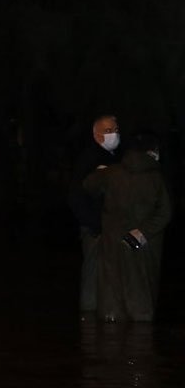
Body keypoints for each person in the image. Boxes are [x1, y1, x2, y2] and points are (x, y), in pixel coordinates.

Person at [84, 131, 171, 322]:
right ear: (153, 152)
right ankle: (141, 341)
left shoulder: (111, 173)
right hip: (142, 244)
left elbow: (88, 186)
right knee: (141, 295)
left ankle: (110, 331)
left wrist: (99, 172)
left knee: (112, 295)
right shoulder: (157, 178)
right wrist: (143, 232)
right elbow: (165, 212)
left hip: (112, 241)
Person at [68, 115, 122, 315]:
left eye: (115, 129)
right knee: (93, 270)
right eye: (108, 131)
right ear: (96, 135)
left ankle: (104, 312)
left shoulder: (117, 157)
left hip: (110, 225)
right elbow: (76, 195)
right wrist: (93, 224)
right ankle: (89, 314)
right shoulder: (89, 158)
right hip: (95, 226)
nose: (114, 134)